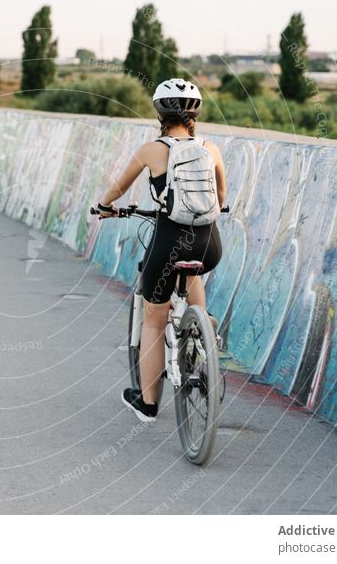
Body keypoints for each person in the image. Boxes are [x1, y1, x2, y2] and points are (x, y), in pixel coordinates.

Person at [96, 78, 227, 423]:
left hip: (169, 244)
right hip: (209, 244)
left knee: (153, 323)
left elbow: (116, 190)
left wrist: (104, 205)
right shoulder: (210, 148)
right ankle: (204, 335)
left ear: (160, 112)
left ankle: (148, 404)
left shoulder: (152, 150)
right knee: (195, 268)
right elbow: (222, 199)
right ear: (194, 113)